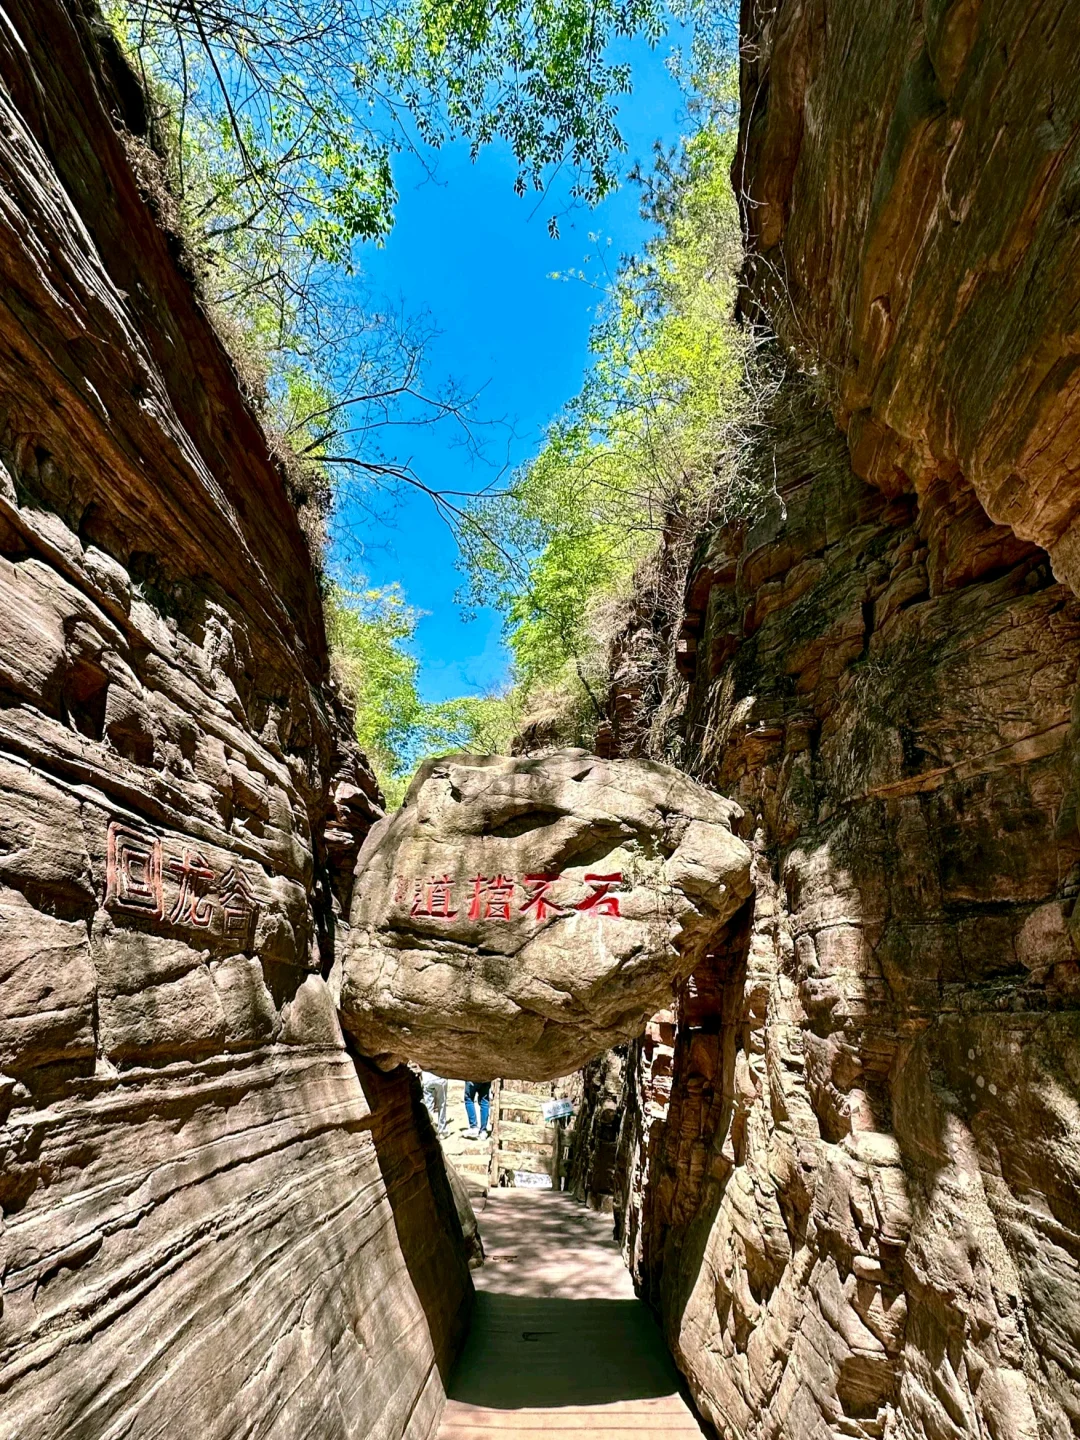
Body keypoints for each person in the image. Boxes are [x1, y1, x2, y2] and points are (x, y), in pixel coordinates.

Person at [421, 1071, 448, 1135]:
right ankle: (442, 1130)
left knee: (428, 1107)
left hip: (427, 1079)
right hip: (440, 1079)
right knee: (442, 1105)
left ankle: (429, 1128)